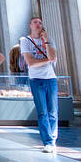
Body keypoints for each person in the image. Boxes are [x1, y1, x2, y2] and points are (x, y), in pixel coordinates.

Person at [19, 17, 59, 152]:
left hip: (50, 78)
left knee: (53, 111)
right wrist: (47, 59)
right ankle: (47, 141)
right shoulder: (25, 41)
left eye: (40, 22)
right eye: (35, 22)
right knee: (43, 112)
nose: (38, 24)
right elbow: (30, 62)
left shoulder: (49, 40)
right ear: (30, 25)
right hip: (36, 79)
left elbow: (53, 57)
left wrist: (46, 40)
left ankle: (52, 140)